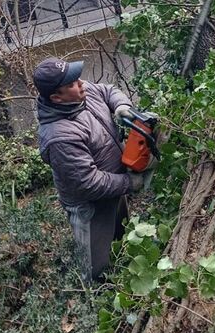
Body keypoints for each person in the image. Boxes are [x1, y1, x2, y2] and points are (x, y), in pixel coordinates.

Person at [32, 57, 144, 282]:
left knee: (120, 238)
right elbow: (88, 183)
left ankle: (125, 277)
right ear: (56, 97)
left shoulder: (81, 93)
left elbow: (106, 90)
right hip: (90, 207)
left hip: (113, 186)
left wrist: (121, 105)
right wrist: (130, 183)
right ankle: (97, 301)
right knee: (95, 267)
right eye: (72, 83)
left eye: (77, 78)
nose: (82, 83)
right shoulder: (60, 136)